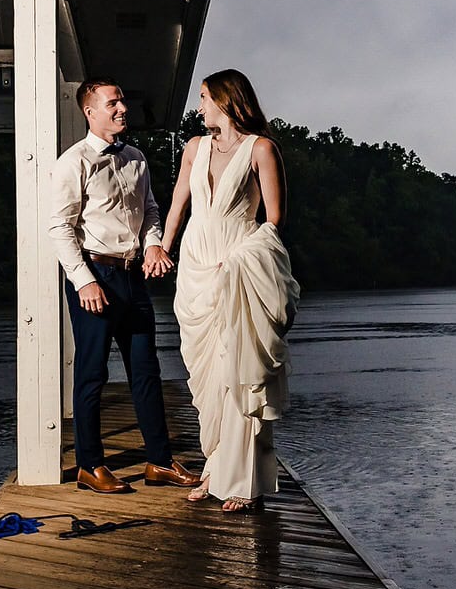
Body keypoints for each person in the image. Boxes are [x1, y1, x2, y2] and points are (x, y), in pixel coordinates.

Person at [48, 77, 202, 493]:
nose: (122, 109)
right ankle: (89, 466)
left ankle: (159, 462)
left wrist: (153, 247)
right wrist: (83, 282)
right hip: (95, 277)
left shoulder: (135, 157)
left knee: (146, 371)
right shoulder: (73, 162)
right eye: (113, 103)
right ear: (90, 111)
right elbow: (59, 229)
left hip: (133, 277)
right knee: (92, 373)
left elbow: (151, 211)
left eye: (122, 102)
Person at [162, 69, 300, 512]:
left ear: (225, 100)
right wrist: (161, 249)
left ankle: (242, 481)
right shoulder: (194, 148)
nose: (198, 106)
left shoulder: (261, 149)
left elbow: (274, 219)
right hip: (196, 268)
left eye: (204, 97)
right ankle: (213, 469)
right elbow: (178, 203)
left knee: (237, 369)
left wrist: (241, 260)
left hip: (238, 266)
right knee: (205, 378)